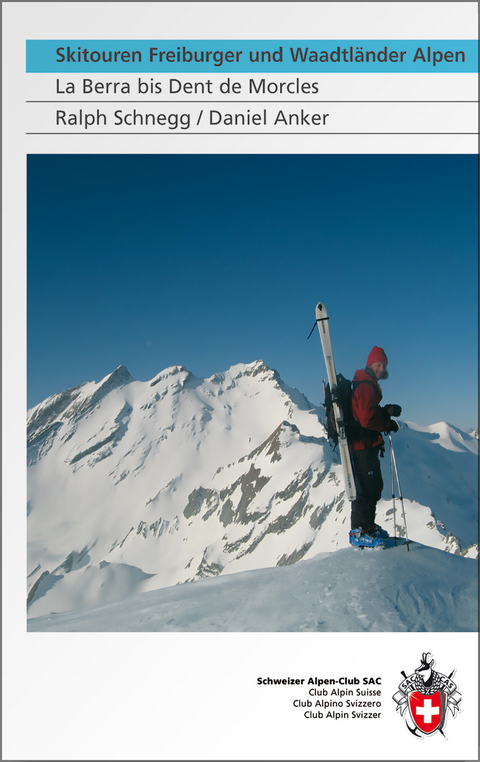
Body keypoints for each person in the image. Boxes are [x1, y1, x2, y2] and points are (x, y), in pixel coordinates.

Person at [348, 346, 402, 548]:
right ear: (370, 365)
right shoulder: (365, 386)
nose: (381, 368)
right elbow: (366, 419)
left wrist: (385, 411)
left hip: (366, 445)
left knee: (373, 486)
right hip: (361, 446)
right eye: (378, 364)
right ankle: (359, 531)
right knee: (366, 488)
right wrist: (387, 424)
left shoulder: (368, 385)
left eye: (384, 365)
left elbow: (367, 412)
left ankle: (367, 527)